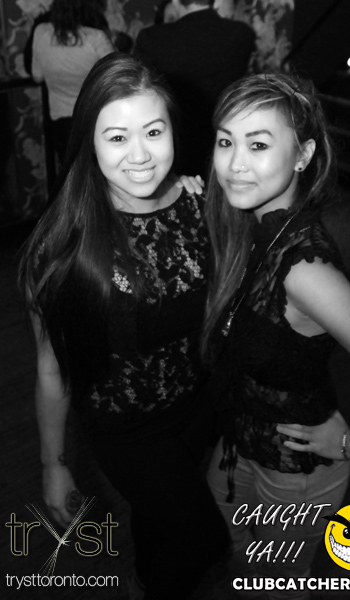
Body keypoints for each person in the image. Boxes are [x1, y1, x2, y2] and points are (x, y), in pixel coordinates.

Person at [19, 52, 229, 600]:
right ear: (89, 141)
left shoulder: (200, 202)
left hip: (197, 407)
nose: (140, 155)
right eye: (117, 137)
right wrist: (53, 464)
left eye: (153, 132)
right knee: (207, 541)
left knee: (159, 519)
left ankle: (143, 582)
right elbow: (51, 368)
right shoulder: (61, 246)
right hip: (125, 428)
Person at [201, 73, 350, 598]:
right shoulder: (252, 225)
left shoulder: (305, 271)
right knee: (236, 555)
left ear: (303, 154)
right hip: (241, 441)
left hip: (297, 473)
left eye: (258, 145)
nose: (234, 163)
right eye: (225, 141)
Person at [135, 0, 255, 178]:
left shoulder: (152, 38)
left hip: (173, 150)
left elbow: (139, 96)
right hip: (224, 144)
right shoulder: (241, 34)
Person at [31, 0, 114, 168]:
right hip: (94, 118)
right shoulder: (96, 38)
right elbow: (116, 77)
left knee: (71, 174)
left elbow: (37, 76)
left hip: (60, 121)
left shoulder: (41, 33)